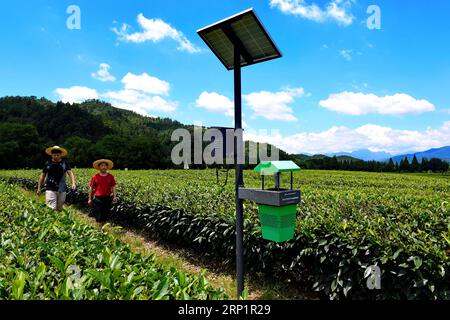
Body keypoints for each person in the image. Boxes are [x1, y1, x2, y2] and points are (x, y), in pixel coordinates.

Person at [37, 146, 76, 211]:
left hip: (62, 189)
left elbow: (70, 173)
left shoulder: (64, 163)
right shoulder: (48, 164)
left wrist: (73, 183)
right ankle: (51, 220)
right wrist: (39, 188)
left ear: (60, 155)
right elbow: (42, 176)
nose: (56, 156)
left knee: (59, 208)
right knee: (51, 208)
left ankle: (58, 220)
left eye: (58, 155)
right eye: (54, 155)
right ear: (51, 155)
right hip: (50, 188)